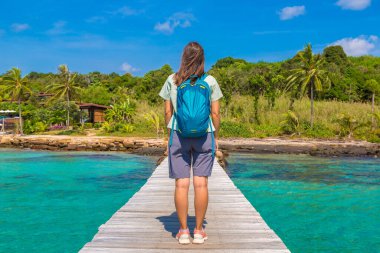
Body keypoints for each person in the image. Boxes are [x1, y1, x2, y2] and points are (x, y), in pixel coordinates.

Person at [158, 41, 223, 244]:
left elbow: (168, 112)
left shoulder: (172, 80)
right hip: (205, 136)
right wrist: (216, 137)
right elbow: (215, 113)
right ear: (202, 58)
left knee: (181, 184)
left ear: (183, 57)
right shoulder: (210, 80)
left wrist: (170, 136)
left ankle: (184, 231)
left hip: (178, 134)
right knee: (201, 183)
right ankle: (198, 232)